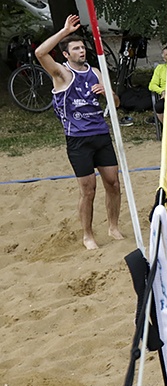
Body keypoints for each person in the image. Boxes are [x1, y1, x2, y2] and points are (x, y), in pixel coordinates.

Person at [34, 14, 123, 250]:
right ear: (66, 54)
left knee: (113, 184)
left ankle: (113, 227)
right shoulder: (62, 74)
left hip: (101, 136)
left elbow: (115, 103)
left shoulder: (95, 71)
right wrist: (64, 32)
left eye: (82, 48)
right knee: (88, 190)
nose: (81, 51)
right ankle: (88, 235)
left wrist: (107, 92)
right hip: (78, 140)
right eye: (75, 49)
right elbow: (40, 54)